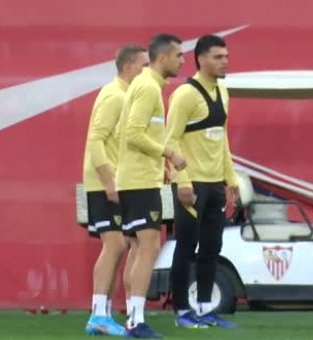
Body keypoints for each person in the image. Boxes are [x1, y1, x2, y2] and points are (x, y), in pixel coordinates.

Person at [165, 34, 239, 329]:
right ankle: (182, 311)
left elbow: (222, 141)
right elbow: (169, 141)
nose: (225, 62)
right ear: (202, 59)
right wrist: (182, 182)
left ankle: (205, 308)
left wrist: (230, 179)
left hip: (214, 184)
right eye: (219, 57)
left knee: (212, 248)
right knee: (186, 247)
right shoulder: (184, 95)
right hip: (191, 184)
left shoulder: (223, 91)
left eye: (226, 56)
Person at [115, 33, 186, 338]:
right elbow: (132, 133)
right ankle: (135, 321)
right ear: (163, 58)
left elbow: (131, 133)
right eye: (179, 55)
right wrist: (168, 152)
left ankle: (133, 316)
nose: (183, 61)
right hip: (139, 182)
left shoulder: (144, 85)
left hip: (138, 178)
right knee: (149, 247)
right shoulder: (148, 88)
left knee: (139, 248)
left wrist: (161, 166)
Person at [82, 44, 149, 336]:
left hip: (117, 181)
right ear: (130, 67)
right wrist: (108, 181)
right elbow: (96, 140)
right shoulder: (114, 95)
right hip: (103, 183)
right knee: (115, 245)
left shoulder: (127, 96)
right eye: (144, 66)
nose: (148, 72)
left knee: (124, 245)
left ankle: (104, 313)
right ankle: (98, 314)